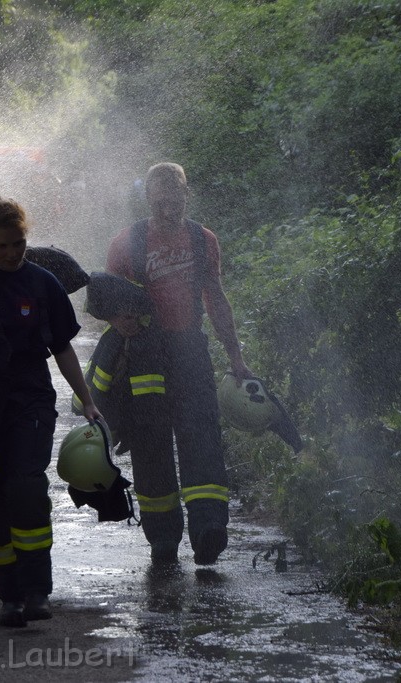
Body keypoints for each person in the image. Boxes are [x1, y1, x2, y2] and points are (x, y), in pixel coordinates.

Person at [102, 162, 252, 566]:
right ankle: (163, 537)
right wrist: (118, 319)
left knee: (201, 435)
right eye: (160, 196)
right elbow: (101, 300)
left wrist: (236, 355)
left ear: (187, 194)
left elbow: (215, 298)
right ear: (148, 198)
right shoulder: (126, 243)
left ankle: (208, 529)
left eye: (176, 195)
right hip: (143, 357)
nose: (169, 203)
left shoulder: (203, 241)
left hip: (190, 351)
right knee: (151, 444)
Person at [0, 198, 101, 626]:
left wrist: (86, 399)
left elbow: (62, 348)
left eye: (19, 244)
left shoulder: (43, 283)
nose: (11, 254)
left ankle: (36, 590)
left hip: (31, 399)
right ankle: (8, 594)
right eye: (2, 246)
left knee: (25, 486)